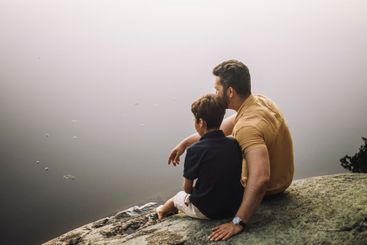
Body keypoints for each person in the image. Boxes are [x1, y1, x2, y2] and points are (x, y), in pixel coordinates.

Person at [168, 60, 294, 241]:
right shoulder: (258, 102)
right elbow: (223, 128)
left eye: (217, 89)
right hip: (284, 179)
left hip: (270, 189)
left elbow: (260, 179)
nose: (215, 94)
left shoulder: (247, 127)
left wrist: (237, 222)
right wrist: (185, 144)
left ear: (230, 92)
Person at [157, 94, 244, 220]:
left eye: (195, 120)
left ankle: (161, 210)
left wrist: (199, 194)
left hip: (207, 211)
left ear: (201, 122)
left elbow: (187, 188)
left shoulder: (194, 150)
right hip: (234, 207)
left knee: (177, 197)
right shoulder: (234, 143)